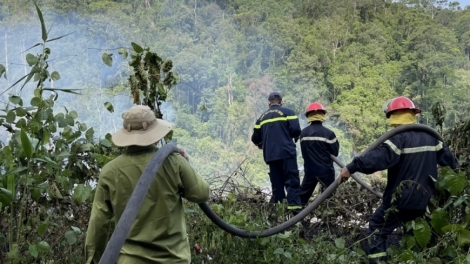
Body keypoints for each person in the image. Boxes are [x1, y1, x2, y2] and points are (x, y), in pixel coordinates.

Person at [339, 96, 458, 263]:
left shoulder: (397, 139)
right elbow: (453, 164)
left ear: (392, 116)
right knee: (413, 231)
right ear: (412, 114)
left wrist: (351, 167)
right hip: (425, 198)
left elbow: (377, 159)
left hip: (401, 199)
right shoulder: (431, 137)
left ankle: (378, 261)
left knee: (377, 228)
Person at [85, 105, 210, 264]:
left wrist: (93, 261)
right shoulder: (174, 162)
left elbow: (98, 227)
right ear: (155, 135)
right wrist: (186, 165)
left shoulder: (110, 172)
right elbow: (201, 193)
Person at [251, 91, 302, 213]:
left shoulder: (261, 118)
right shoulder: (289, 113)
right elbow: (296, 131)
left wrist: (263, 143)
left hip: (271, 156)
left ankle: (280, 214)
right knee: (291, 182)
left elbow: (255, 139)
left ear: (269, 103)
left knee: (277, 185)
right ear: (281, 102)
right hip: (287, 154)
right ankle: (295, 214)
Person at [299, 102, 339, 205]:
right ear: (322, 115)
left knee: (302, 197)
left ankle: (296, 218)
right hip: (326, 171)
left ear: (308, 116)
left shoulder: (303, 134)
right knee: (329, 199)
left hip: (310, 171)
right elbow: (335, 152)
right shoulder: (329, 133)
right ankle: (328, 220)